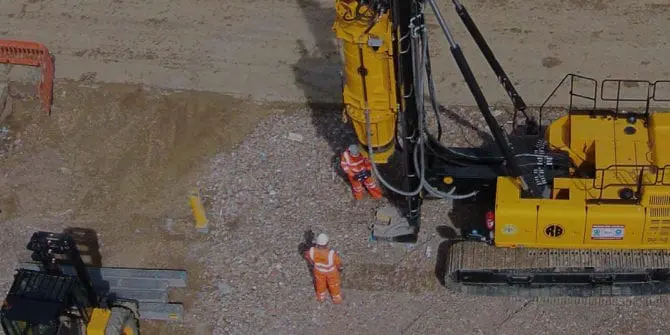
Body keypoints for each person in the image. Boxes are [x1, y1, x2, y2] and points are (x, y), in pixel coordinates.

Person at [303, 233, 343, 304]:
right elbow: (338, 263)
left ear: (318, 243)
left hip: (319, 271)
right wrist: (340, 268)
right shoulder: (331, 253)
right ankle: (336, 298)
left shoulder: (312, 251)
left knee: (320, 283)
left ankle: (321, 297)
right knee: (333, 284)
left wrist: (312, 263)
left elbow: (307, 255)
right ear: (327, 243)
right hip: (331, 272)